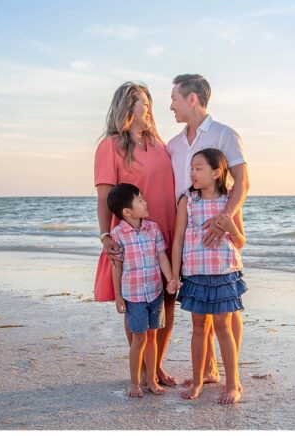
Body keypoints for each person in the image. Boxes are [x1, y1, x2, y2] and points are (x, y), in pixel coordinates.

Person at [167, 74, 250, 388]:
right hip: (188, 230)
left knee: (226, 314)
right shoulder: (173, 145)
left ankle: (232, 376)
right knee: (201, 318)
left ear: (192, 99)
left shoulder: (224, 134)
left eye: (174, 98)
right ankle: (208, 371)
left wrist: (224, 218)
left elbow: (242, 183)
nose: (170, 105)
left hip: (219, 227)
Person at [94, 81, 179, 387]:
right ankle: (141, 369)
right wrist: (106, 237)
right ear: (127, 108)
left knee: (167, 299)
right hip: (131, 238)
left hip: (165, 232)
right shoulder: (110, 146)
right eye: (143, 102)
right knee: (136, 304)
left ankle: (155, 366)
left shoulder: (158, 142)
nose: (149, 108)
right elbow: (105, 198)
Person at [171, 148, 247, 404]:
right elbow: (179, 237)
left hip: (224, 274)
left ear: (216, 173)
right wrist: (174, 273)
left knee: (224, 328)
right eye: (191, 168)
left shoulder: (229, 204)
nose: (193, 173)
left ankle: (233, 383)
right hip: (196, 274)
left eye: (199, 168)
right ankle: (199, 380)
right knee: (199, 329)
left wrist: (231, 227)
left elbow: (240, 241)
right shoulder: (187, 201)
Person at [107, 183, 176, 398]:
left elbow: (162, 256)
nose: (145, 203)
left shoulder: (152, 228)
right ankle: (135, 382)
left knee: (152, 337)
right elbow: (117, 268)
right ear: (127, 212)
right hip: (134, 296)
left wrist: (170, 279)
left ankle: (152, 380)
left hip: (155, 292)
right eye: (140, 200)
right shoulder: (117, 234)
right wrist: (118, 296)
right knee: (139, 340)